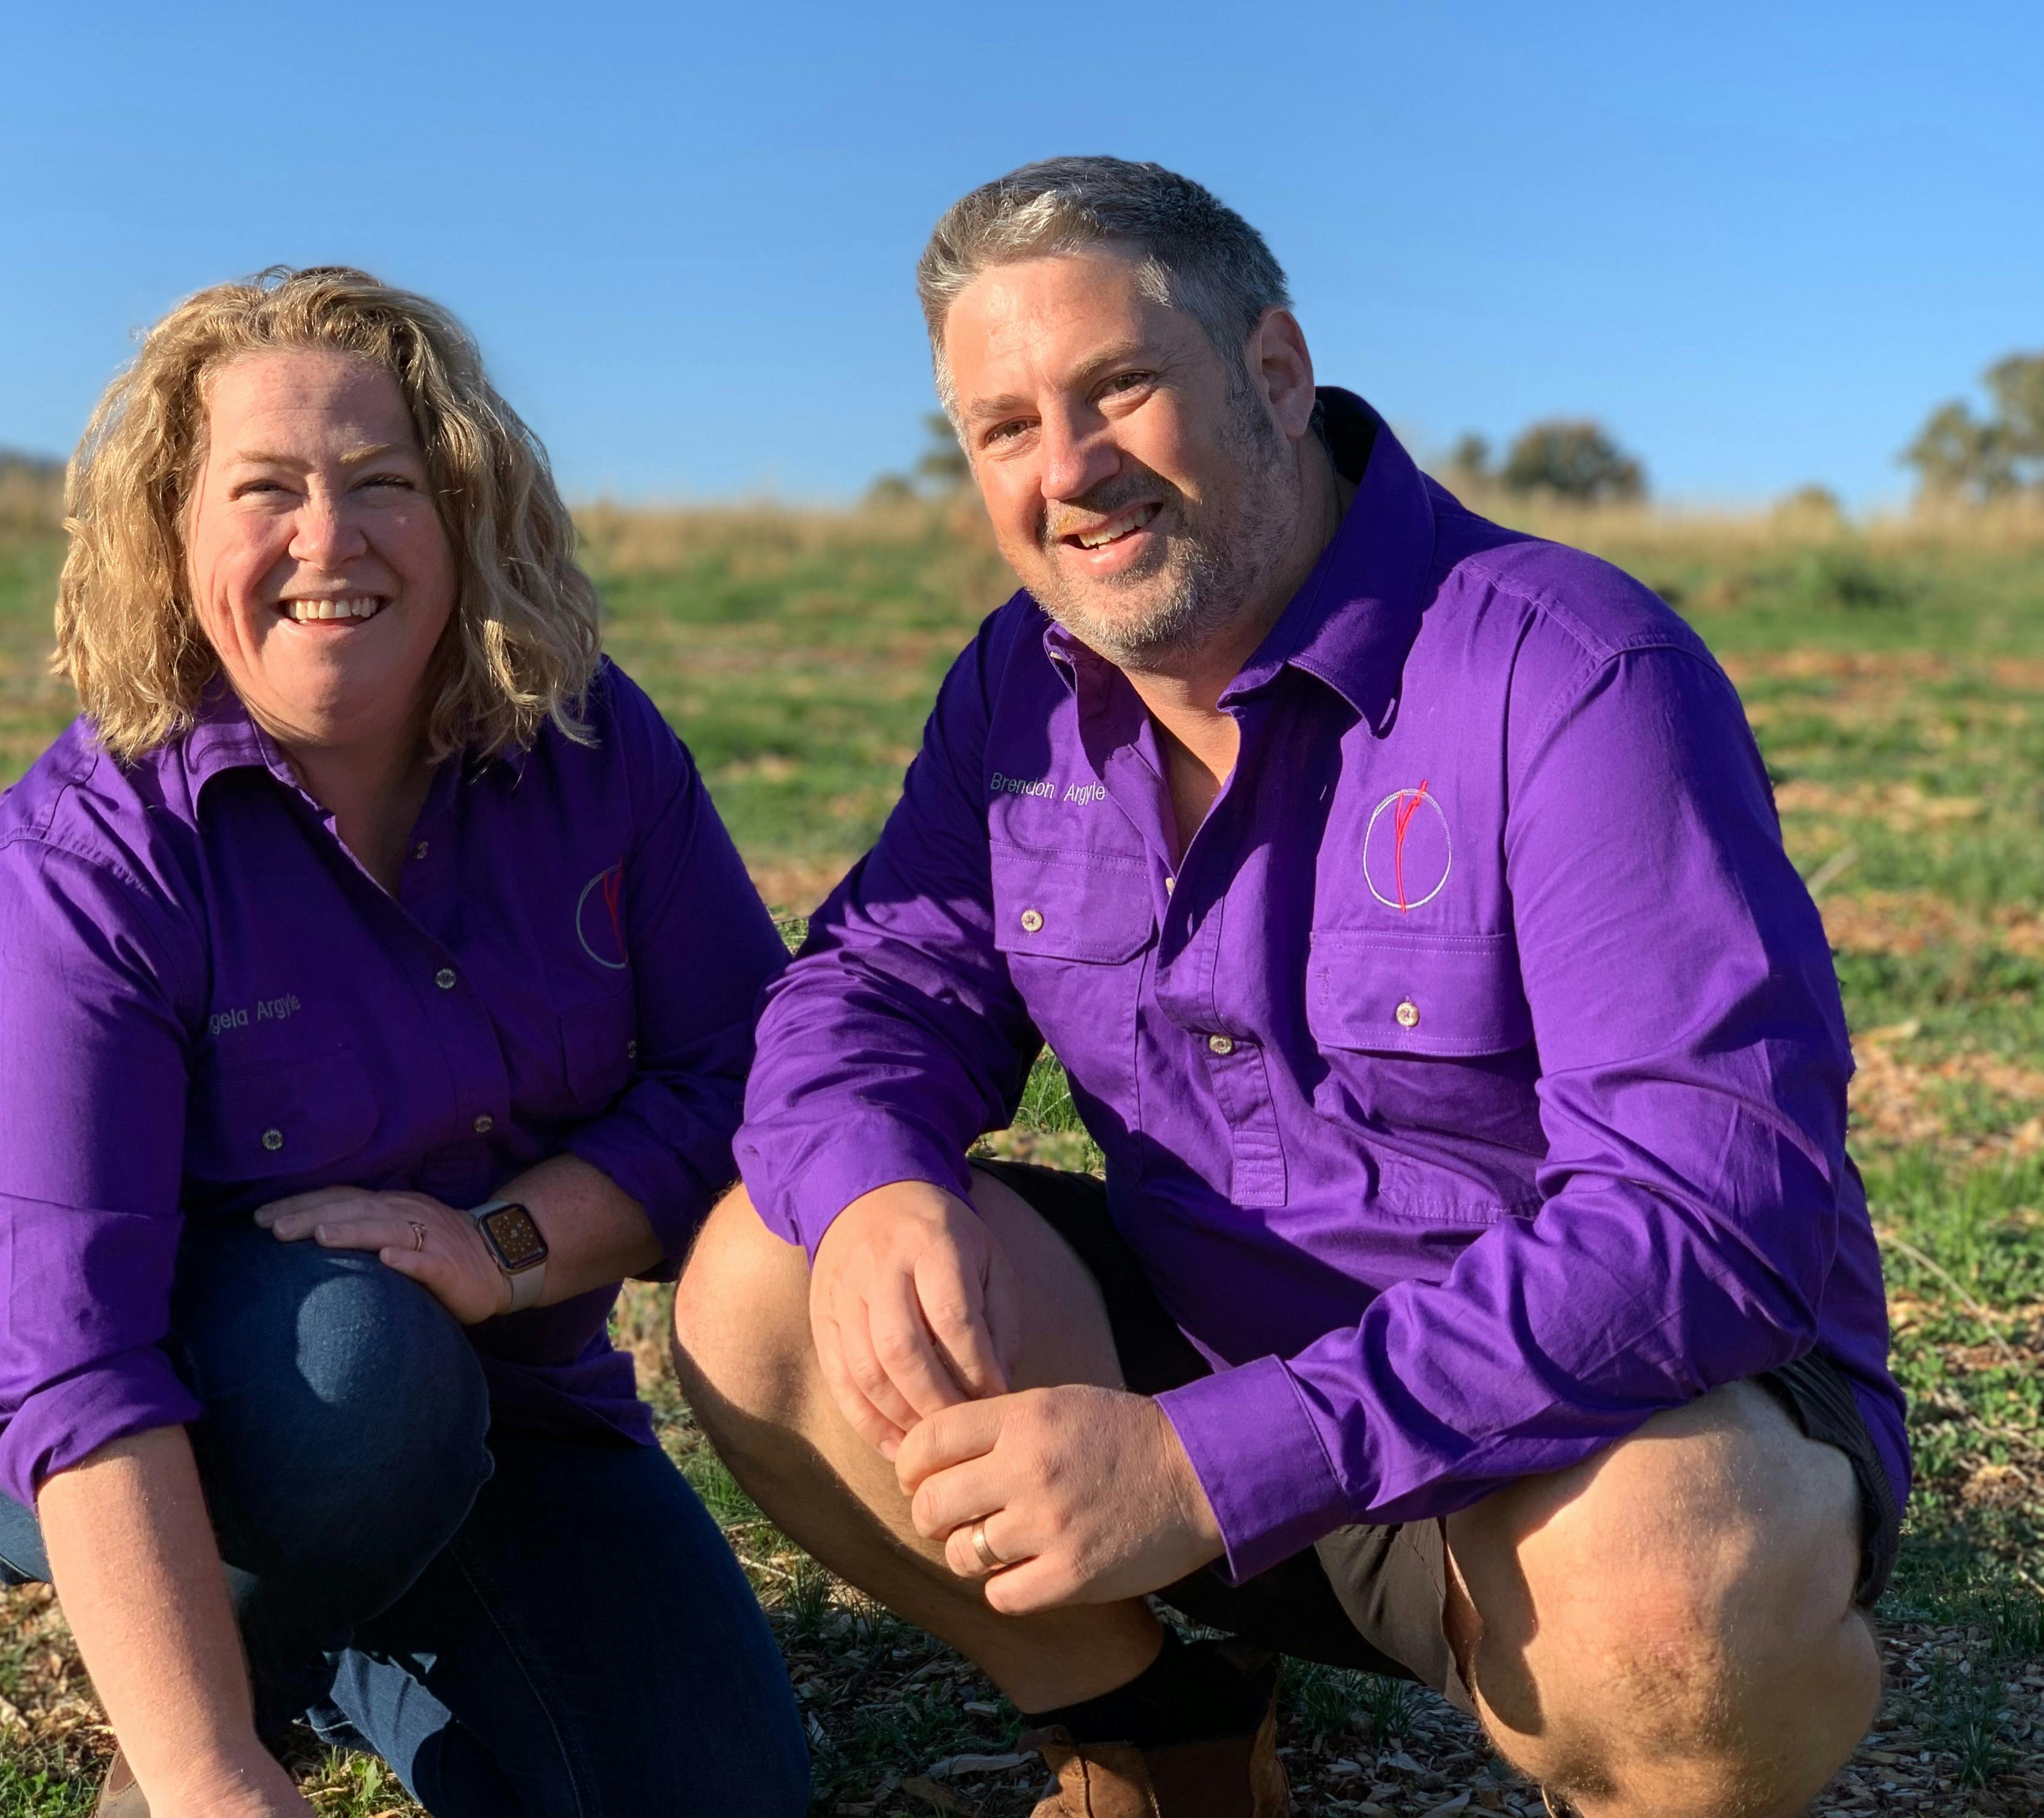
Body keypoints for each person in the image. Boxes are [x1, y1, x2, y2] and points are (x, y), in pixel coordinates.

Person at [673, 159, 1903, 1818]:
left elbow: (1708, 1219)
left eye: (1120, 388)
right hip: (1198, 1362)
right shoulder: (1021, 691)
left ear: (1271, 373)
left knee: (1676, 1603)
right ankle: (1156, 1731)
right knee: (772, 1273)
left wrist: (1213, 1460)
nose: (1072, 472)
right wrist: (879, 1181)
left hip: (1571, 1425)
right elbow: (875, 983)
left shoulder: (1570, 671)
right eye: (1006, 427)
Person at [0, 266, 809, 1818]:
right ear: (171, 539)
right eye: (266, 491)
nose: (330, 541)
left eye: (384, 484)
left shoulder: (591, 743)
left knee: (717, 1792)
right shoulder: (89, 854)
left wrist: (506, 1245)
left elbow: (742, 1075)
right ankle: (197, 1687)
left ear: (463, 516)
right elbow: (65, 1342)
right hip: (119, 1406)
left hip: (506, 1400)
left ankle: (340, 1626)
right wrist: (198, 1770)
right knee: (360, 1370)